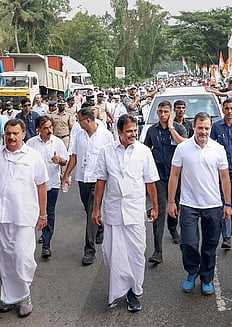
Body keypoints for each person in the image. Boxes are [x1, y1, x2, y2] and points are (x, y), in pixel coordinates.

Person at [0, 118, 48, 317]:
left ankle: (24, 296)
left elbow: (41, 186)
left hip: (24, 217)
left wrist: (43, 213)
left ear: (23, 134)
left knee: (23, 258)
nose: (11, 137)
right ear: (4, 135)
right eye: (8, 133)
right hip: (1, 217)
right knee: (6, 259)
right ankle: (9, 296)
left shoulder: (34, 156)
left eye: (15, 133)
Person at [91, 114, 159, 312]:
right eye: (128, 131)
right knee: (114, 254)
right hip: (113, 210)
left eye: (135, 130)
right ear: (118, 132)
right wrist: (96, 209)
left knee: (137, 253)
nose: (133, 134)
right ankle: (122, 290)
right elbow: (101, 181)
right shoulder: (106, 152)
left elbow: (150, 181)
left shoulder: (144, 151)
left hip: (135, 210)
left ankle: (134, 291)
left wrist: (155, 206)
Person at [168, 112, 232, 296]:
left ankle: (206, 278)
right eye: (200, 128)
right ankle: (191, 271)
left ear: (210, 128)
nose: (203, 131)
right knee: (188, 243)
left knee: (210, 244)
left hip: (213, 205)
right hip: (189, 204)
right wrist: (172, 201)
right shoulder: (183, 148)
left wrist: (227, 204)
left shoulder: (218, 149)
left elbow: (225, 177)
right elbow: (174, 175)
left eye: (206, 128)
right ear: (193, 128)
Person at [62, 108, 113, 266]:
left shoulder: (106, 135)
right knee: (88, 210)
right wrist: (66, 175)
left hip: (98, 180)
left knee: (92, 211)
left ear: (87, 120)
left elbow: (112, 157)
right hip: (83, 179)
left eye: (79, 119)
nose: (78, 122)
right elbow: (74, 157)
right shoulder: (80, 135)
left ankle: (89, 250)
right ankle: (100, 228)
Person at [144, 101, 187, 263]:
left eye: (166, 112)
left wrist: (171, 127)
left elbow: (184, 144)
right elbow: (146, 151)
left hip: (176, 176)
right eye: (160, 111)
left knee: (175, 205)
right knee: (160, 209)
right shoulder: (151, 131)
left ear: (171, 113)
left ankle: (173, 228)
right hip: (159, 177)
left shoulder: (179, 128)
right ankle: (158, 251)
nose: (163, 114)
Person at [27, 116, 69, 258]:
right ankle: (28, 243)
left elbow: (65, 162)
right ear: (38, 129)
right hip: (34, 187)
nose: (49, 130)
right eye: (45, 128)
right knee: (33, 213)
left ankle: (46, 244)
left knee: (49, 213)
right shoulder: (31, 143)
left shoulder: (57, 143)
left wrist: (59, 160)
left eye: (50, 127)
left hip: (52, 184)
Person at [210, 99, 232, 247]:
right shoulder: (216, 126)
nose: (229, 111)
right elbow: (210, 146)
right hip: (221, 170)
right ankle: (226, 236)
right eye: (226, 108)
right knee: (224, 199)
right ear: (223, 109)